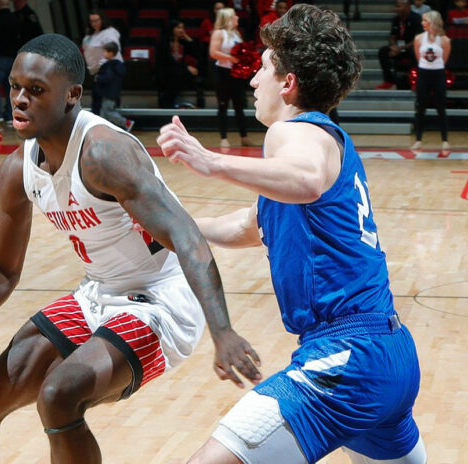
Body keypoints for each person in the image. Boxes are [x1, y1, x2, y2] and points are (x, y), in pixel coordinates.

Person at [0, 33, 260, 464]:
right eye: (15, 86)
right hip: (96, 292)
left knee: (59, 395)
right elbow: (2, 269)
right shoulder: (19, 168)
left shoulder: (103, 154)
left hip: (160, 301)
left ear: (72, 95)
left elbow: (188, 238)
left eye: (36, 91)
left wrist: (222, 331)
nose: (19, 99)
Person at [157, 4, 426, 463]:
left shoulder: (296, 132)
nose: (253, 80)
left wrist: (211, 162)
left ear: (289, 83)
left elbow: (306, 179)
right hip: (390, 355)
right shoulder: (324, 142)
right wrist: (162, 225)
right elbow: (250, 225)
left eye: (262, 68)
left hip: (347, 359)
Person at [209, 8, 253, 148]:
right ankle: (223, 138)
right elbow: (213, 53)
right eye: (234, 16)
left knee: (239, 105)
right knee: (223, 105)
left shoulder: (236, 33)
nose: (237, 17)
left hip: (236, 73)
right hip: (223, 73)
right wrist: (232, 58)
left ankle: (244, 137)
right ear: (228, 18)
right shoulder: (218, 33)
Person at [412, 10, 451, 151]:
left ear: (433, 21)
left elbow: (444, 59)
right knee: (421, 107)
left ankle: (445, 140)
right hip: (423, 74)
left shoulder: (445, 40)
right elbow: (418, 57)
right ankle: (418, 139)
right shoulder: (418, 39)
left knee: (441, 108)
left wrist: (435, 68)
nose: (422, 23)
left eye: (425, 20)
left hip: (438, 74)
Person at [157, 20, 205, 109]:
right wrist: (187, 68)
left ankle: (168, 100)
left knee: (184, 73)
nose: (181, 30)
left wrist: (188, 38)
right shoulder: (163, 42)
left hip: (179, 70)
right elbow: (166, 61)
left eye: (182, 28)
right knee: (181, 73)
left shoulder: (183, 43)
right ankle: (167, 100)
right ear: (172, 29)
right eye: (178, 28)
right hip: (166, 69)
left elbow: (196, 53)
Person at [81, 10, 122, 115]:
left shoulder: (109, 32)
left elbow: (113, 51)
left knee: (107, 104)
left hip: (109, 69)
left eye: (96, 20)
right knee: (97, 103)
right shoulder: (90, 36)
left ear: (102, 20)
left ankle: (123, 125)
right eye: (91, 21)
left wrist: (103, 67)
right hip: (96, 72)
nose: (94, 23)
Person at [376, 0, 423, 89]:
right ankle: (389, 81)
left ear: (407, 6)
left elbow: (417, 39)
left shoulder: (416, 18)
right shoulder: (396, 19)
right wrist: (394, 47)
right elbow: (392, 36)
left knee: (414, 52)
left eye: (399, 6)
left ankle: (415, 81)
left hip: (411, 47)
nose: (396, 9)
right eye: (396, 6)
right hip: (399, 48)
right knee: (383, 51)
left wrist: (401, 48)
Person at [95, 42, 134, 132]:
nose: (103, 54)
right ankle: (104, 129)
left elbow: (107, 78)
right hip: (112, 93)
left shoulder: (110, 66)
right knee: (104, 112)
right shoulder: (117, 65)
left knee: (108, 112)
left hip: (109, 93)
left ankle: (126, 123)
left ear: (111, 53)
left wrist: (98, 78)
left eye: (105, 52)